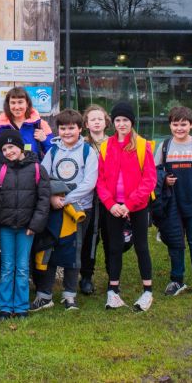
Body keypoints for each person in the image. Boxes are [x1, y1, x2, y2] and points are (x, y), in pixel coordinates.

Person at [32, 109, 98, 311]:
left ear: (80, 128)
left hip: (78, 210)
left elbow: (89, 182)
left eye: (71, 128)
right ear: (57, 130)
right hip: (55, 210)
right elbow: (42, 176)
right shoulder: (53, 151)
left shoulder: (88, 151)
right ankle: (45, 294)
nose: (67, 132)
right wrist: (52, 197)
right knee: (49, 249)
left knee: (74, 251)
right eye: (63, 128)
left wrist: (67, 199)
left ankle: (70, 294)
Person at [0, 130, 50, 320]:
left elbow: (43, 200)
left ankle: (20, 307)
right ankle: (5, 307)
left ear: (20, 146)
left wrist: (35, 224)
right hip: (5, 228)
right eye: (4, 149)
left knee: (22, 268)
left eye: (11, 147)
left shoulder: (37, 169)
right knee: (7, 267)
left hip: (26, 228)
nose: (8, 152)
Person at [96, 101, 157, 312]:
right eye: (118, 120)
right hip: (113, 207)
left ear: (132, 122)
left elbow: (149, 180)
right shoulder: (106, 146)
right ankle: (113, 290)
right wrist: (110, 204)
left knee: (141, 247)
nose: (121, 124)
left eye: (125, 120)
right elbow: (101, 180)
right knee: (114, 248)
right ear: (112, 122)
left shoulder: (142, 145)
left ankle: (147, 290)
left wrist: (129, 205)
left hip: (137, 207)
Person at [155, 106, 192, 299]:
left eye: (183, 124)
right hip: (171, 206)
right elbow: (155, 173)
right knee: (175, 243)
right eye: (175, 124)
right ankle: (177, 279)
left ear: (191, 125)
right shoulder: (164, 146)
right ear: (170, 125)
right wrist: (164, 179)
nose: (179, 128)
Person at [79, 104, 111, 295]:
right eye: (93, 119)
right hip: (89, 197)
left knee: (110, 238)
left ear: (106, 122)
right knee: (90, 237)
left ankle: (112, 276)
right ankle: (86, 276)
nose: (97, 122)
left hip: (109, 196)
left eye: (100, 118)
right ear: (86, 123)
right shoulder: (82, 144)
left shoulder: (114, 143)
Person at [0, 87, 53, 159]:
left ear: (27, 103)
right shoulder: (1, 127)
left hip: (33, 169)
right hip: (9, 169)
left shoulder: (40, 124)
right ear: (8, 105)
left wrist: (45, 140)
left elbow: (52, 152)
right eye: (13, 103)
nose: (17, 107)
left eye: (20, 102)